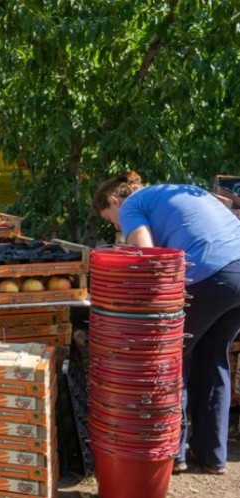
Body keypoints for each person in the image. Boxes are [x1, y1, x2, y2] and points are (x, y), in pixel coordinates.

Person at [92, 170, 240, 475]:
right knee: (212, 357)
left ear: (113, 200)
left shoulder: (132, 205)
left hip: (209, 275)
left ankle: (173, 453)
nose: (118, 227)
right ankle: (212, 456)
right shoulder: (177, 189)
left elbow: (150, 259)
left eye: (111, 220)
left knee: (171, 357)